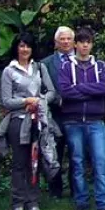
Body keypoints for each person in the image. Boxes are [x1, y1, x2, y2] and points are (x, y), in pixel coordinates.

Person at [0, 31, 56, 210]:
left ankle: (33, 202)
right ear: (16, 48)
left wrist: (39, 100)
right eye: (21, 46)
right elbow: (6, 101)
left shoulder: (39, 67)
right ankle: (17, 202)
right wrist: (26, 101)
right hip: (18, 121)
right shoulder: (9, 71)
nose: (25, 49)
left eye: (28, 46)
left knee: (35, 162)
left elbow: (52, 91)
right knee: (19, 163)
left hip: (38, 121)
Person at [58, 28, 105, 210]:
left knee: (100, 161)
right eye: (81, 42)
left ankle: (103, 203)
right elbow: (65, 91)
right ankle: (81, 202)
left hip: (96, 121)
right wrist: (90, 92)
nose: (84, 45)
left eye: (88, 42)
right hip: (73, 121)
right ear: (76, 45)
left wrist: (80, 88)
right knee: (78, 162)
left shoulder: (100, 66)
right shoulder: (66, 66)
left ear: (91, 44)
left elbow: (104, 88)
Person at [40, 26, 74, 199]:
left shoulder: (84, 59)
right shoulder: (45, 63)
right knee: (55, 153)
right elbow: (43, 89)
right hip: (55, 114)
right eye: (62, 39)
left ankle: (76, 189)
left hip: (76, 114)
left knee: (77, 153)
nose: (66, 42)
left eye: (69, 38)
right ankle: (55, 190)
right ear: (56, 42)